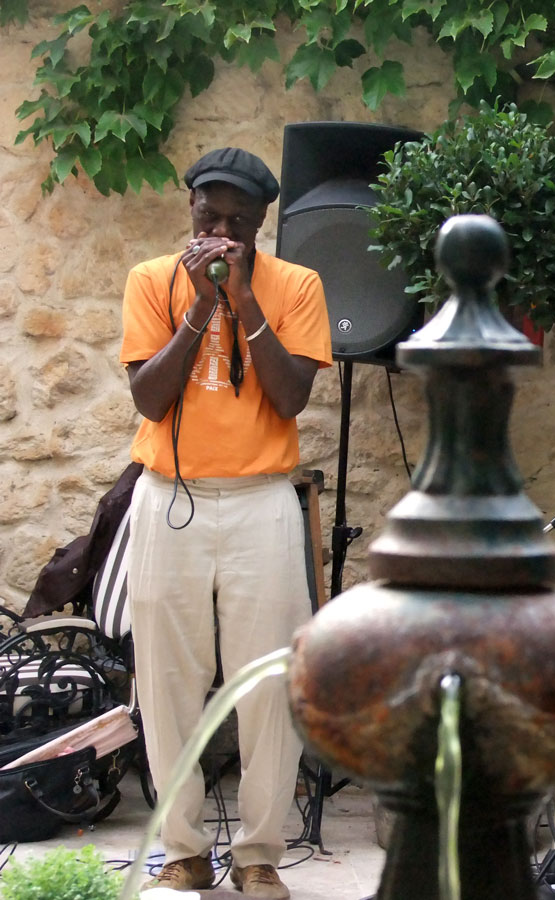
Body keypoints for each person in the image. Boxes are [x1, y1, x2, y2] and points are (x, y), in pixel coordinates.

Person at [121, 147, 332, 899]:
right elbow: (149, 400)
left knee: (267, 683)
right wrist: (200, 309)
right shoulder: (151, 280)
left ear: (261, 225)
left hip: (260, 501)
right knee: (167, 680)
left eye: (236, 223)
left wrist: (243, 303)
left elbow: (290, 398)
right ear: (190, 208)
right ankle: (182, 849)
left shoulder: (295, 285)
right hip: (168, 494)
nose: (219, 232)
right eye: (207, 216)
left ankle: (258, 854)